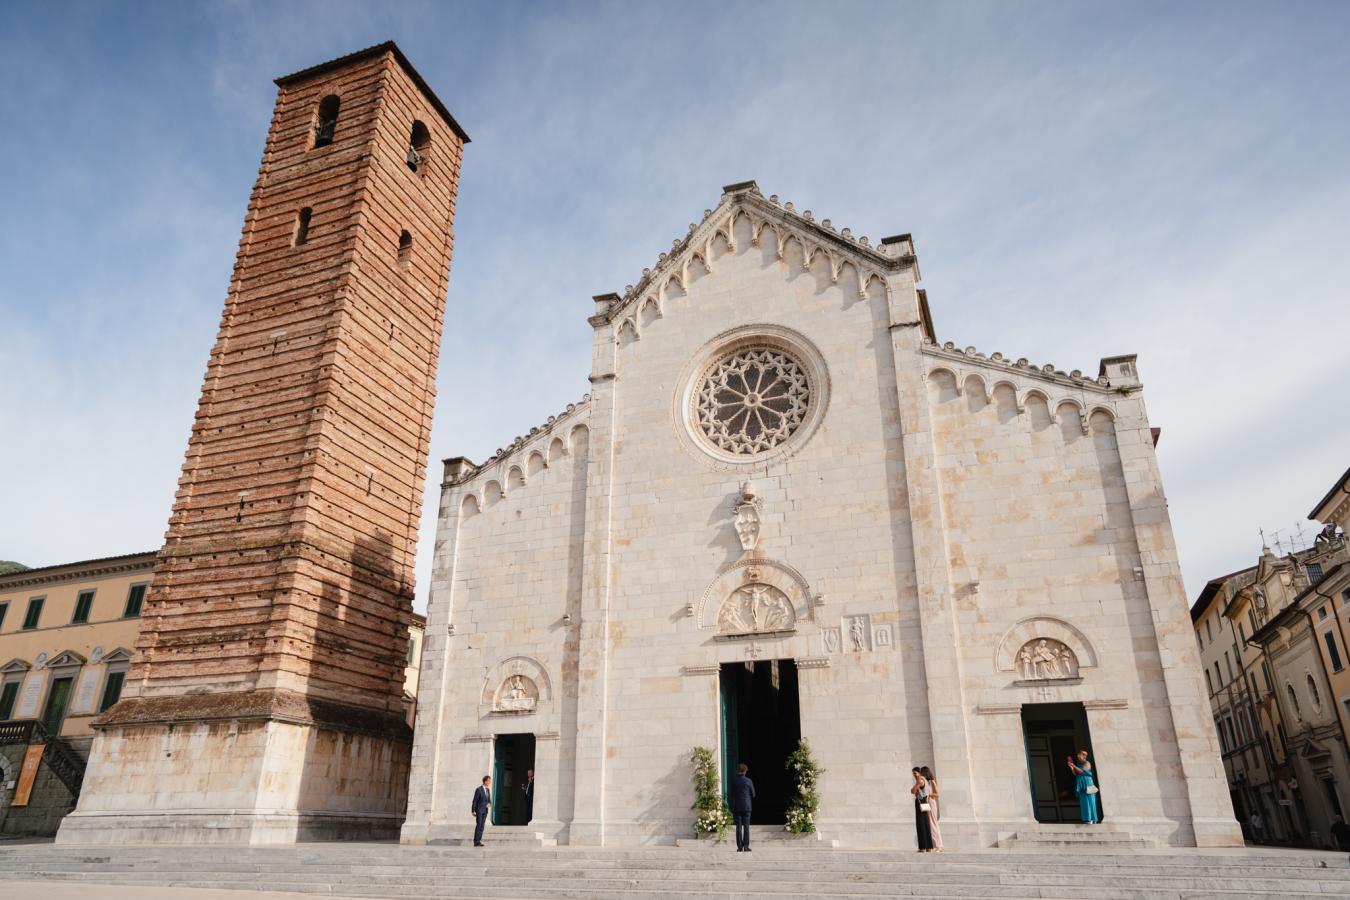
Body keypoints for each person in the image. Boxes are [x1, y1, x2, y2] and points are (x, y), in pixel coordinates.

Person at [1067, 751, 1100, 825]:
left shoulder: (1087, 763)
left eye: (1080, 756)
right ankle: (1087, 819)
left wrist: (1074, 766)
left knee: (1089, 801)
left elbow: (1082, 772)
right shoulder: (1079, 764)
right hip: (1081, 784)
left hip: (1087, 784)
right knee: (1084, 802)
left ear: (1084, 756)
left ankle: (1092, 818)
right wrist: (1071, 767)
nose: (1078, 757)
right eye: (1078, 756)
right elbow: (1076, 774)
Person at [730, 762, 756, 852]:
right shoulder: (749, 781)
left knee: (738, 827)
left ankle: (739, 847)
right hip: (747, 807)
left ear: (738, 771)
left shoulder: (734, 781)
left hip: (737, 807)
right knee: (746, 827)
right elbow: (753, 794)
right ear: (745, 771)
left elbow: (731, 794)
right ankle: (746, 846)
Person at [911, 767, 934, 852]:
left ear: (919, 773)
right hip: (925, 802)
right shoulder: (925, 780)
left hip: (920, 803)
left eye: (915, 773)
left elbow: (913, 791)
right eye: (913, 773)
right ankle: (929, 847)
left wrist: (914, 788)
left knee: (921, 825)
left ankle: (923, 847)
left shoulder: (920, 781)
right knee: (926, 824)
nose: (914, 775)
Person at [920, 766, 943, 852]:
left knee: (933, 823)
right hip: (926, 803)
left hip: (931, 803)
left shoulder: (932, 782)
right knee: (929, 824)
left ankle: (939, 845)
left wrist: (929, 795)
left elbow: (937, 794)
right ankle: (933, 845)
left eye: (921, 772)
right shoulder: (925, 782)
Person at [470, 775, 491, 846]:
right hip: (479, 810)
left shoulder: (488, 790)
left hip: (485, 811)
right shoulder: (479, 789)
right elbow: (475, 800)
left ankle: (479, 841)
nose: (489, 782)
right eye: (488, 781)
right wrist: (473, 810)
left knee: (482, 826)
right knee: (479, 825)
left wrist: (489, 804)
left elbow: (489, 800)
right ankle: (476, 841)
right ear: (485, 781)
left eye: (490, 781)